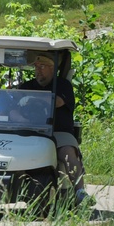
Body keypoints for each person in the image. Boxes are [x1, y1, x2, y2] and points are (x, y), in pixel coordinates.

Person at [19, 53, 91, 205]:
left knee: (67, 152)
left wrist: (33, 99)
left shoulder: (63, 85)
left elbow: (57, 101)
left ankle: (80, 191)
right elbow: (13, 105)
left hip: (58, 132)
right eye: (36, 68)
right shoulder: (27, 86)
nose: (38, 71)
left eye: (42, 67)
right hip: (32, 132)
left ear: (52, 68)